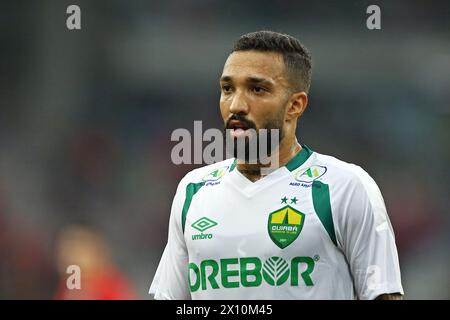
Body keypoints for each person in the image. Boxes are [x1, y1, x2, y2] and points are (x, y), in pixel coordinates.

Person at [149, 30, 403, 300]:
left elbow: (383, 294)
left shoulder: (344, 187)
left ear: (295, 105)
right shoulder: (194, 190)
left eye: (257, 89)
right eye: (227, 89)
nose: (236, 105)